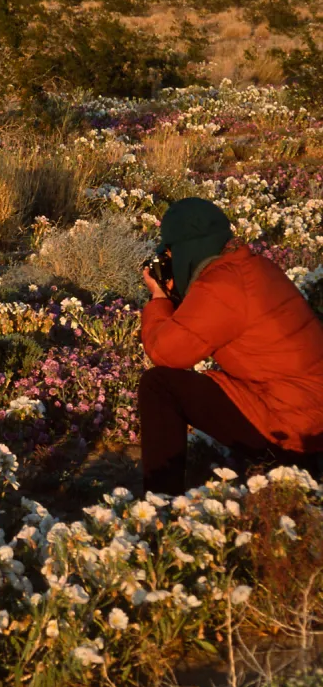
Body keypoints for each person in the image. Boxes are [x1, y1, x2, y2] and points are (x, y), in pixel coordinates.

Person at [138, 197, 323, 494]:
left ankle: (161, 500)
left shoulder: (222, 285)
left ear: (187, 249)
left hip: (291, 426)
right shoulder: (253, 266)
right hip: (307, 411)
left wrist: (159, 300)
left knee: (159, 386)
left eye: (170, 251)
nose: (169, 258)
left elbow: (166, 352)